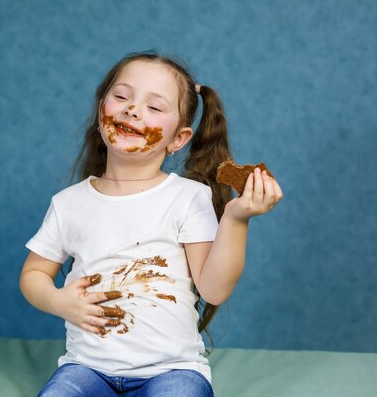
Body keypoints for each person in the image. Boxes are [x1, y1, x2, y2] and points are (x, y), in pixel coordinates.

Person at [19, 51, 283, 396]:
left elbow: (213, 289)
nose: (132, 109)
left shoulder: (189, 197)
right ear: (101, 110)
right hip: (86, 368)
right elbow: (33, 274)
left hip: (173, 372)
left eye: (155, 107)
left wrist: (236, 218)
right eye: (122, 96)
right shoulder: (68, 203)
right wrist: (58, 302)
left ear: (178, 139)